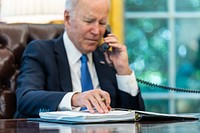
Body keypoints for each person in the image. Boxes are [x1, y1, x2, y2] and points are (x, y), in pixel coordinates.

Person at [15, 0, 145, 118]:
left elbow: (134, 116)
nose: (96, 31)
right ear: (67, 19)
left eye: (102, 23)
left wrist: (123, 70)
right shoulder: (41, 51)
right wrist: (76, 98)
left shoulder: (107, 58)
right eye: (89, 21)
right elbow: (26, 99)